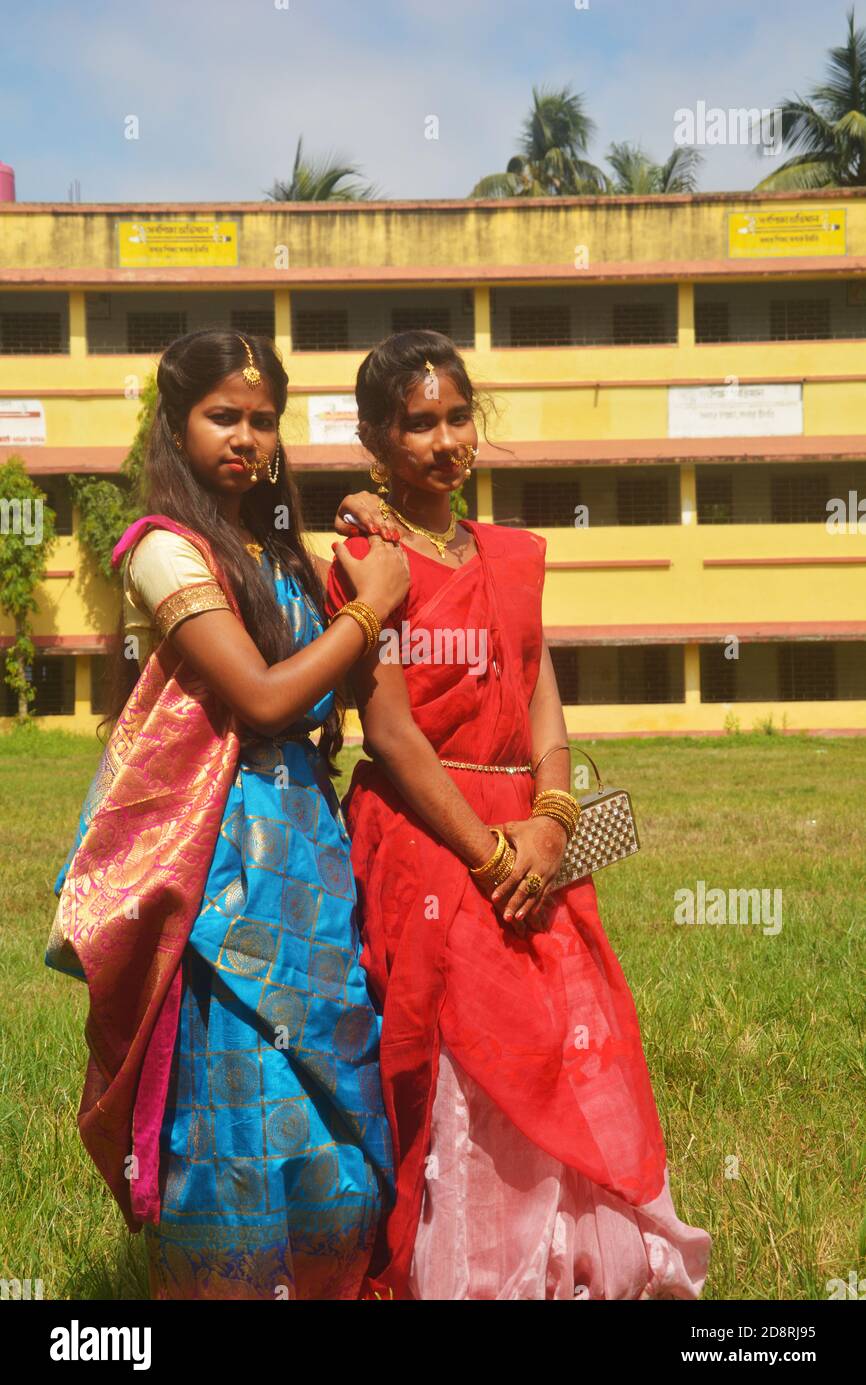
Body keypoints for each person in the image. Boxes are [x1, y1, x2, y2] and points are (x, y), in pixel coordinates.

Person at [324, 329, 713, 1301]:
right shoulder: (365, 559)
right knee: (455, 1052)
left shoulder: (507, 556)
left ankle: (567, 1265)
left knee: (558, 1039)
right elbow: (391, 734)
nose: (444, 439)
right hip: (426, 834)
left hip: (529, 828)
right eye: (417, 423)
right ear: (376, 438)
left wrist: (551, 811)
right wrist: (492, 853)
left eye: (458, 417)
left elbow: (540, 684)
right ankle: (463, 1265)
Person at [45, 328, 410, 1300]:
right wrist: (365, 611)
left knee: (331, 1076)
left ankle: (330, 1272)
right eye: (222, 416)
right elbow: (259, 697)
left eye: (263, 419)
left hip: (309, 841)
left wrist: (373, 529)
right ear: (175, 425)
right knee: (242, 1084)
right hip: (224, 858)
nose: (246, 437)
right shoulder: (164, 549)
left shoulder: (274, 548)